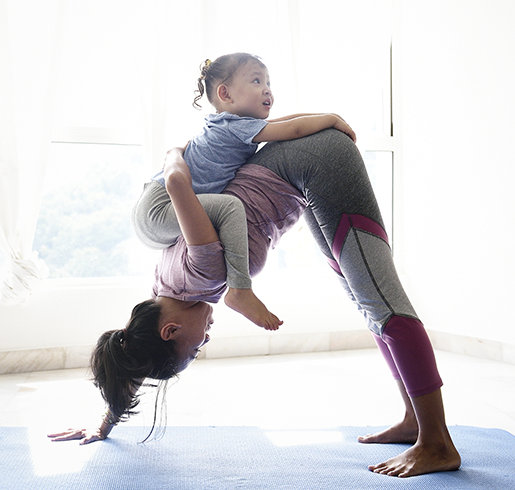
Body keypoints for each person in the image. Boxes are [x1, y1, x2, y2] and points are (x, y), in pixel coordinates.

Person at [51, 128, 462, 478]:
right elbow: (139, 351)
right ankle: (415, 422)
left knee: (383, 303)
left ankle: (437, 443)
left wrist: (173, 153)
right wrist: (105, 423)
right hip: (302, 176)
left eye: (196, 347)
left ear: (171, 330)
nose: (205, 339)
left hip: (317, 162)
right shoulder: (164, 288)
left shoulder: (203, 271)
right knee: (369, 302)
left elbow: (179, 184)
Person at [132, 52, 355, 331]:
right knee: (230, 207)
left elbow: (283, 123)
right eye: (256, 80)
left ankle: (235, 291)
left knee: (213, 216)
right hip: (159, 207)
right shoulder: (236, 128)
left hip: (151, 209)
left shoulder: (230, 124)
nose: (267, 89)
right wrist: (332, 122)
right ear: (225, 94)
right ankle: (239, 289)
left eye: (268, 82)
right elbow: (294, 129)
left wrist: (328, 116)